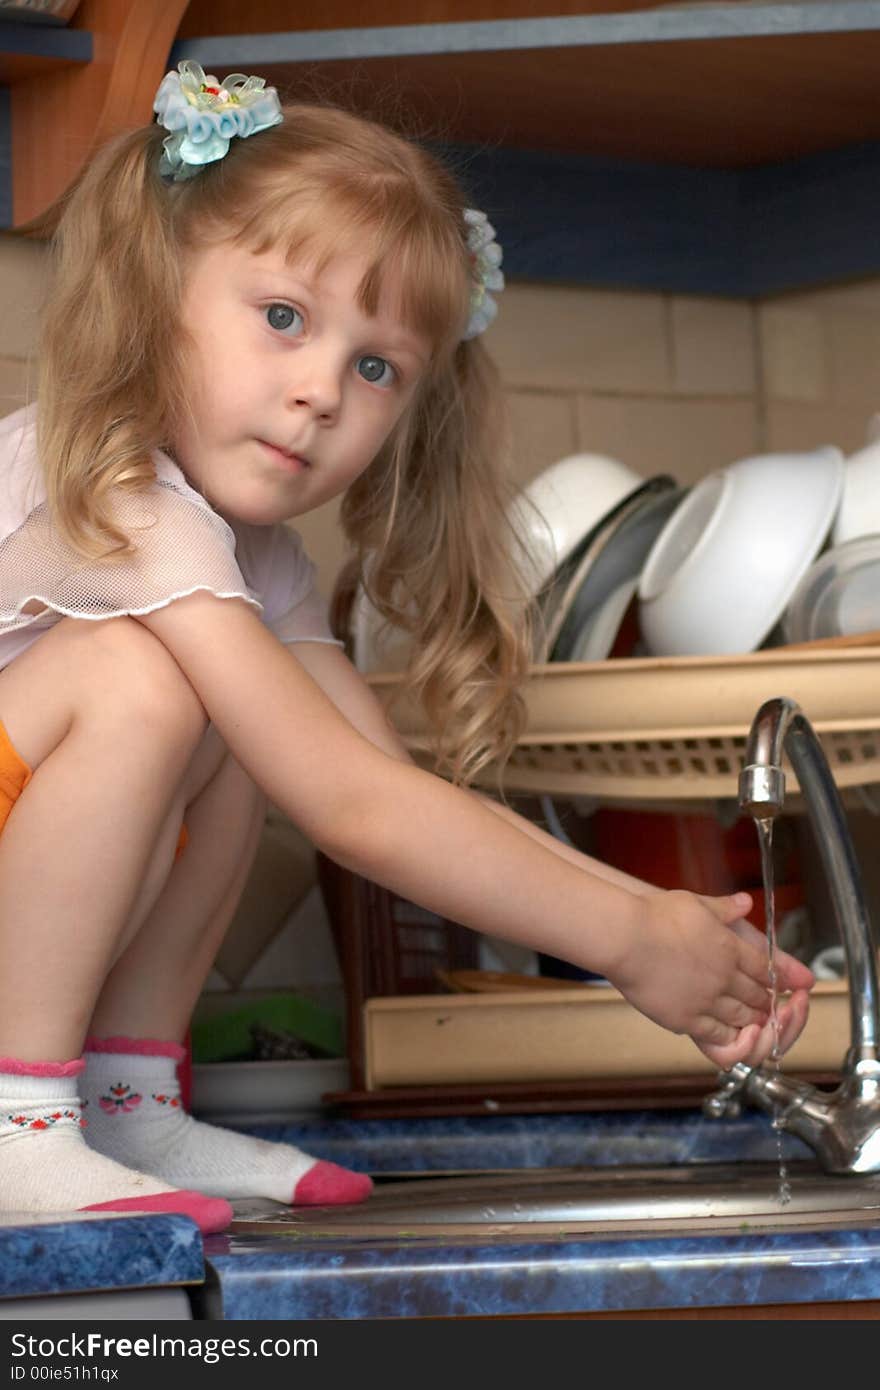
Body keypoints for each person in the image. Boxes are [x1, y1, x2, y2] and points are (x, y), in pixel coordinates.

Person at [0, 62, 813, 1236]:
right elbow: (353, 811)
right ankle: (18, 1126)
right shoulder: (125, 501)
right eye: (282, 317)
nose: (321, 391)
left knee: (246, 712)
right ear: (156, 286)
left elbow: (387, 787)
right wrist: (634, 942)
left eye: (374, 366)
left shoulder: (244, 558)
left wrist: (661, 922)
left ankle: (121, 1103)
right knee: (144, 677)